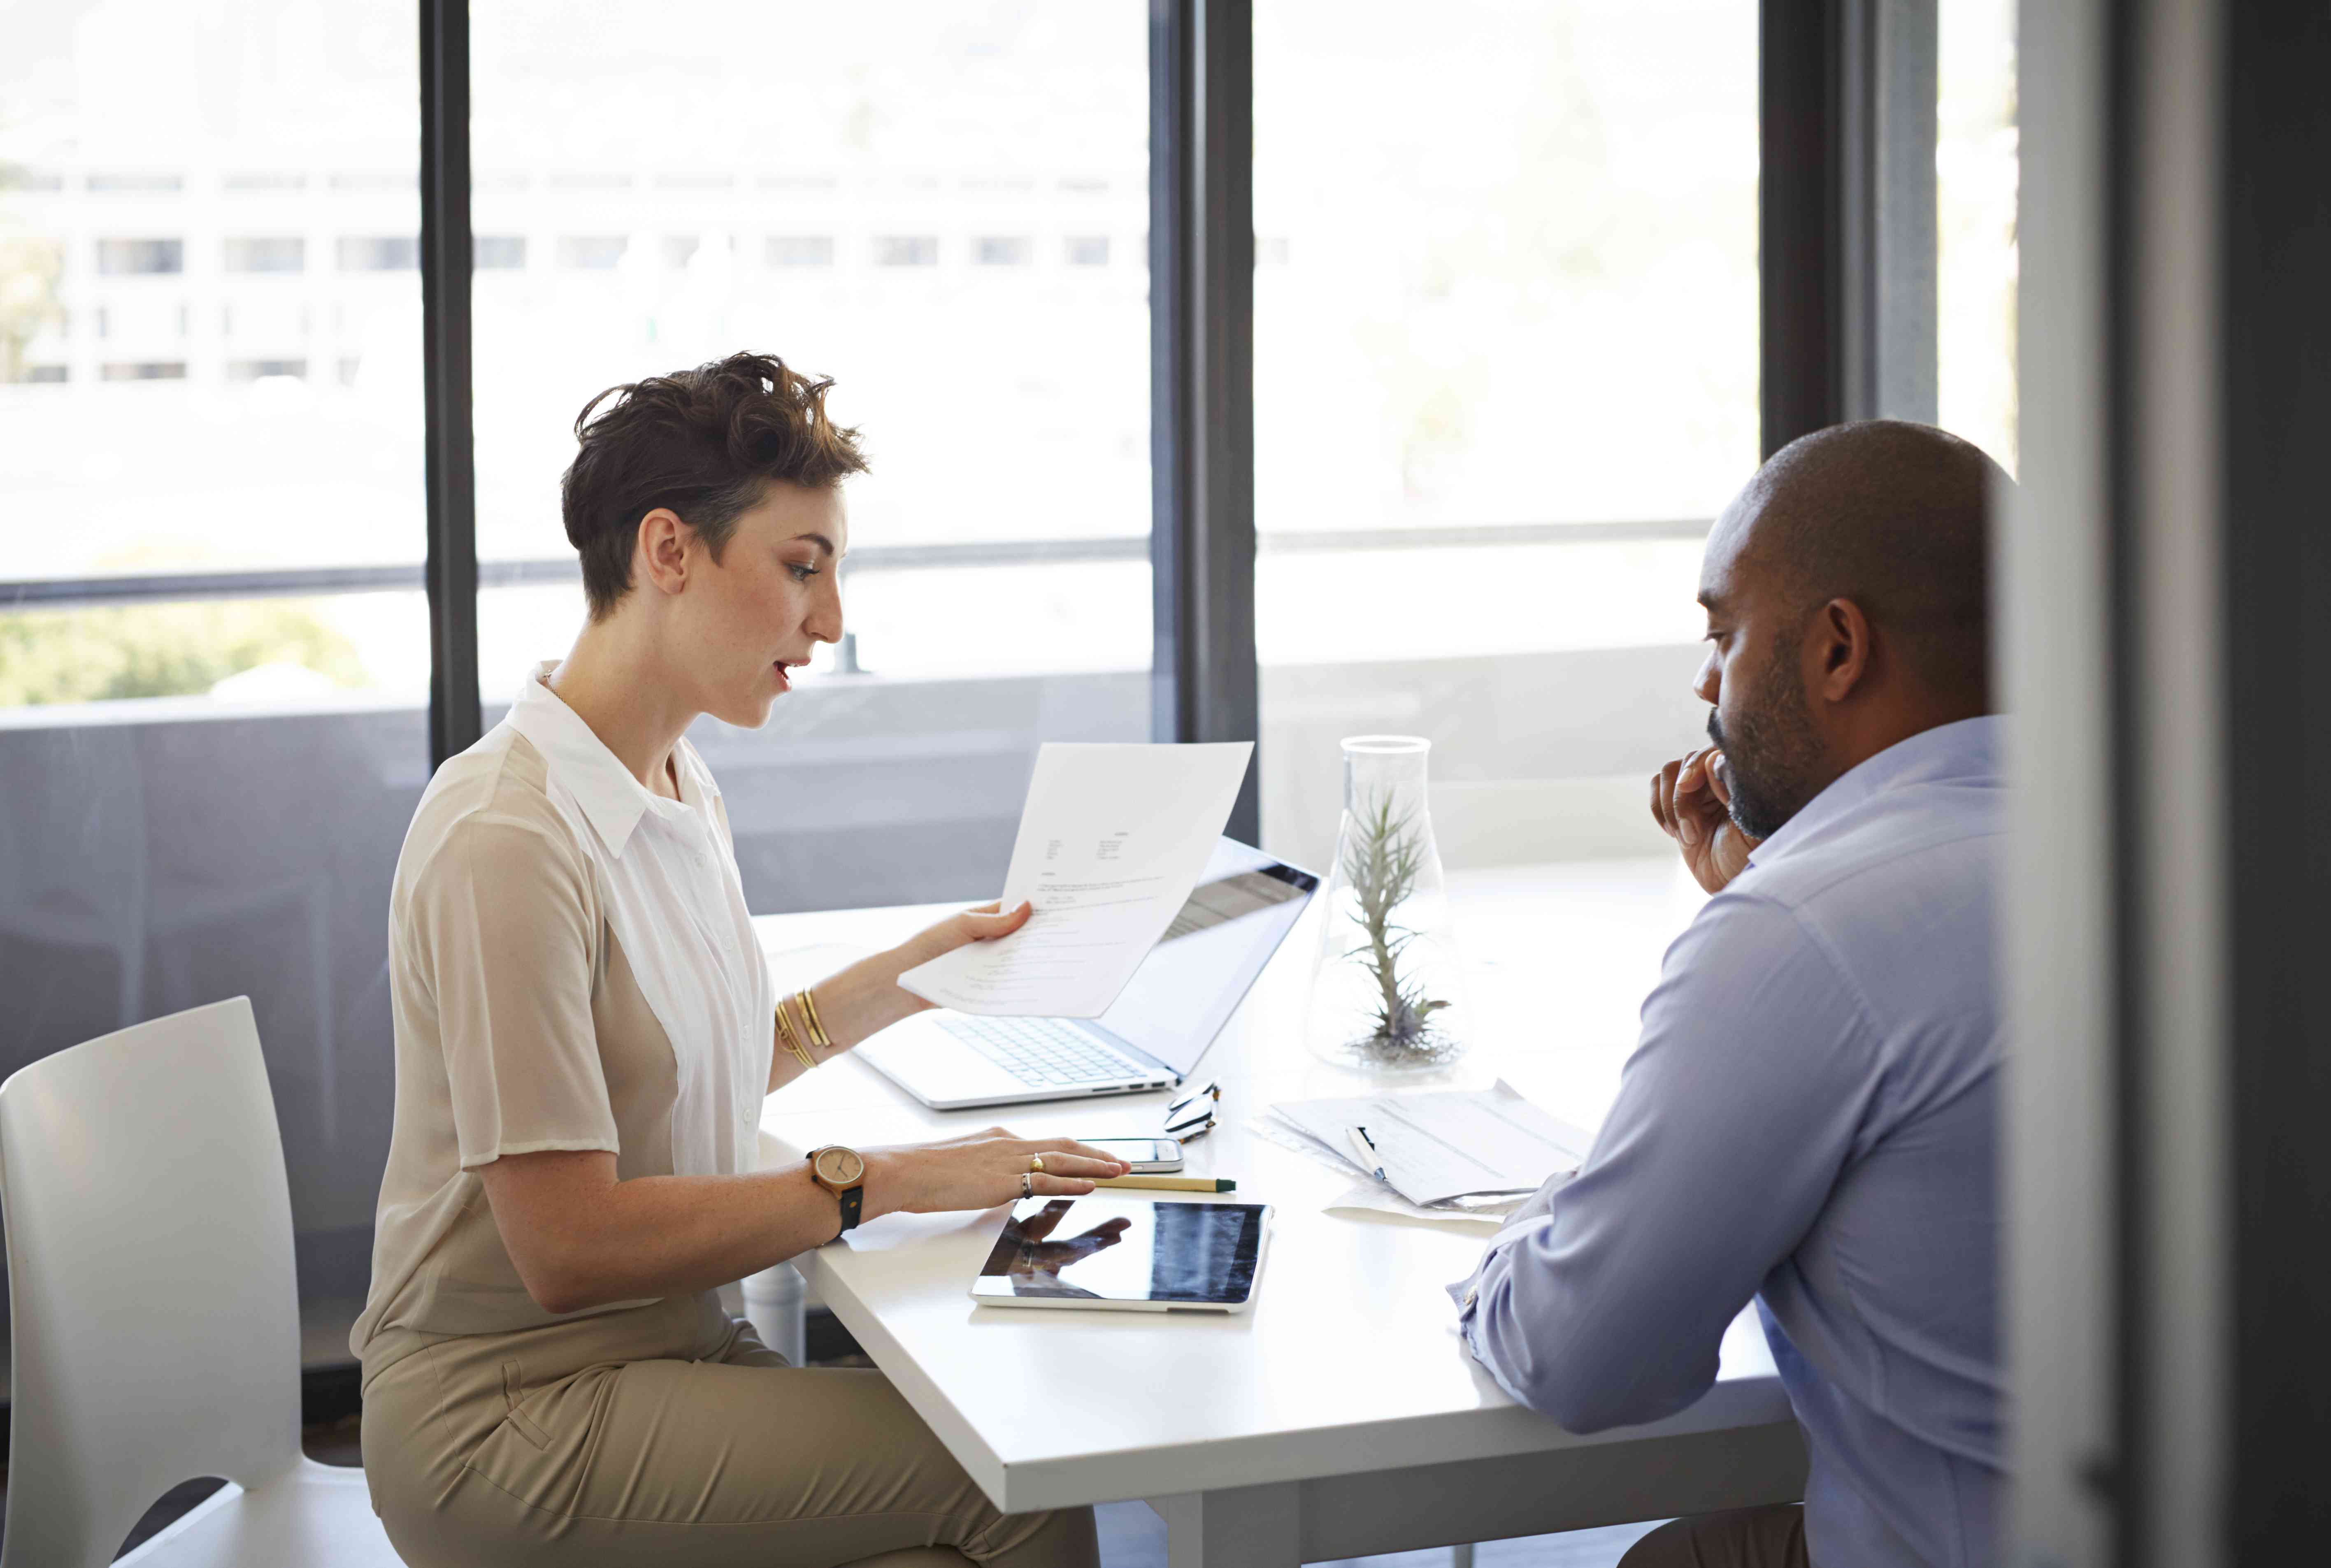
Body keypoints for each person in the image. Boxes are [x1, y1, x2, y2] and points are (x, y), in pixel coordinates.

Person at [353, 351, 1130, 1568]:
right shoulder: (507, 836)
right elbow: (571, 1246)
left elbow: (692, 1071)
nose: (828, 618)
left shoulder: (672, 778)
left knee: (963, 1508)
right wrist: (896, 1175)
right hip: (507, 1414)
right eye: (800, 568)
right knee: (1010, 1486)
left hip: (661, 1354)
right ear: (668, 552)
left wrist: (916, 968)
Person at [1450, 420, 2011, 1568]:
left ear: (1837, 649)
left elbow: (1582, 1355)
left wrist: (1524, 1219)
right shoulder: (2205, 844)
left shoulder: (1807, 930)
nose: (1705, 681)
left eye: (1722, 632)